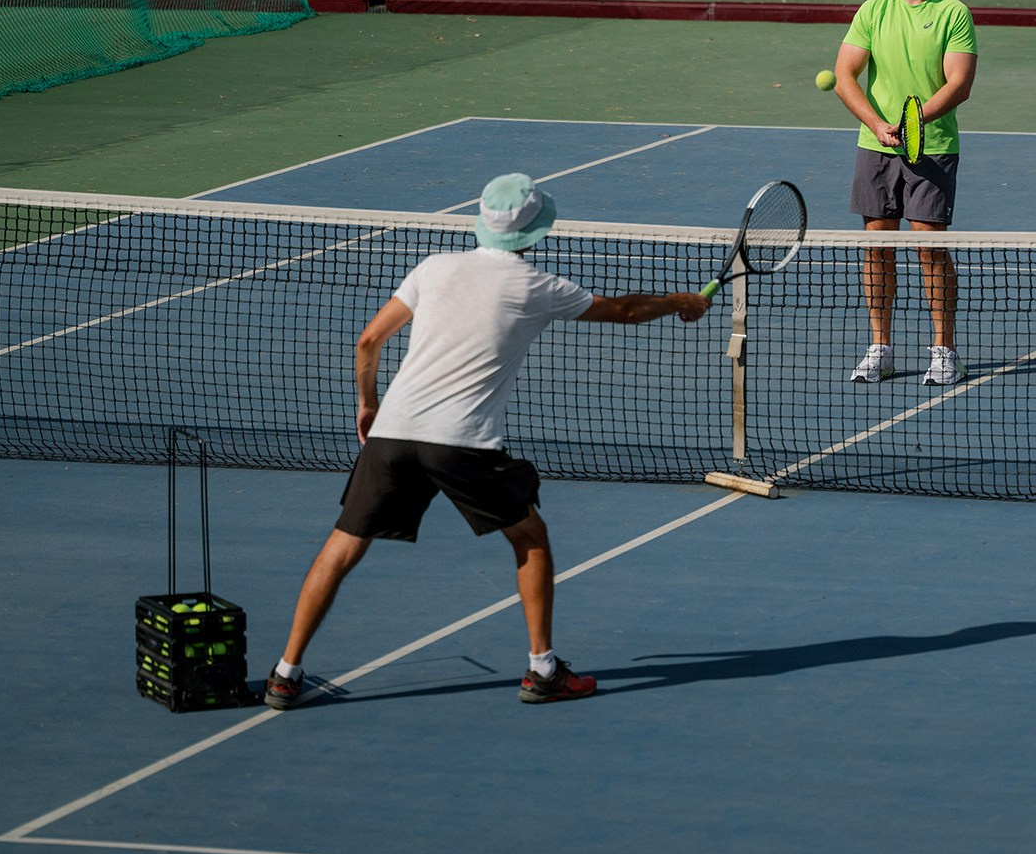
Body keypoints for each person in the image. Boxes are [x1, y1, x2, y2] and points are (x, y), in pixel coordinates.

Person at [266, 173, 711, 712]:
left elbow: (368, 341)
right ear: (536, 231)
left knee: (342, 545)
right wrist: (680, 301)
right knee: (531, 537)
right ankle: (543, 670)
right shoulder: (536, 287)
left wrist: (368, 404)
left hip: (393, 433)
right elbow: (624, 310)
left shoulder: (433, 268)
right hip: (461, 442)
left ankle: (285, 673)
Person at [833, 0, 979, 386]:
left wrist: (915, 121)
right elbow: (844, 76)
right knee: (877, 249)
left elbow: (960, 83)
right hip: (876, 147)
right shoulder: (873, 11)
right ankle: (881, 348)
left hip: (933, 148)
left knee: (930, 250)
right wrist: (878, 125)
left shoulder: (953, 13)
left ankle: (945, 351)